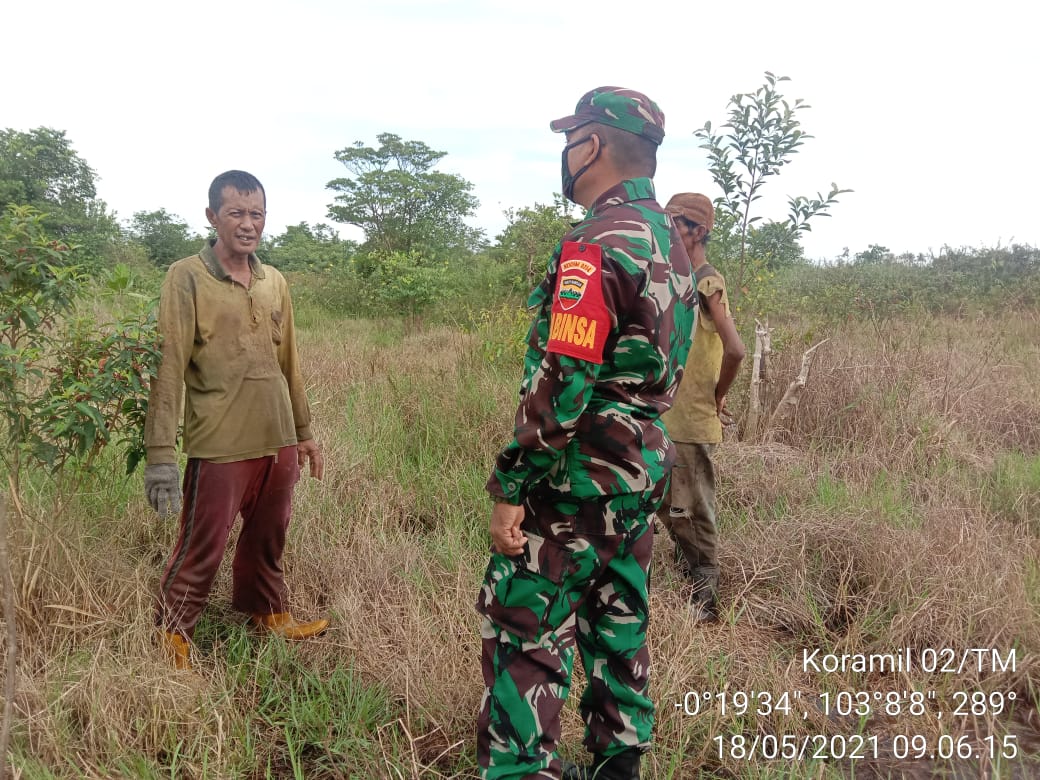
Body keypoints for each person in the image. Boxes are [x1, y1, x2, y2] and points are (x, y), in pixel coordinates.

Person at [476, 88, 696, 780]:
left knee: (525, 629)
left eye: (571, 139)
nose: (565, 153)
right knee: (619, 622)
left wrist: (512, 484)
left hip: (576, 476)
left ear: (592, 146)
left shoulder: (594, 245)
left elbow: (563, 385)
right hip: (641, 472)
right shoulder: (674, 244)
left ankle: (518, 769)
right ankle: (618, 765)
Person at [143, 170, 328, 670]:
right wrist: (160, 456)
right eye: (236, 213)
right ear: (212, 217)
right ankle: (174, 632)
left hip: (278, 438)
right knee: (202, 545)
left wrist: (304, 434)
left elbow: (290, 361)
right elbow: (169, 365)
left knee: (269, 536)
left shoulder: (275, 282)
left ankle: (265, 612)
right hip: (220, 440)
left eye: (257, 214)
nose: (248, 225)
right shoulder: (186, 276)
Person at [659, 193, 745, 623]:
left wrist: (716, 396)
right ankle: (689, 572)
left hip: (691, 417)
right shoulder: (676, 278)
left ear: (697, 231)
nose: (667, 229)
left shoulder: (709, 282)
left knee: (693, 506)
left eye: (675, 222)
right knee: (667, 502)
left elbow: (735, 350)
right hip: (664, 415)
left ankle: (706, 593)